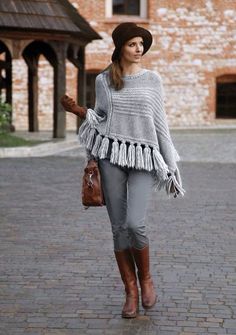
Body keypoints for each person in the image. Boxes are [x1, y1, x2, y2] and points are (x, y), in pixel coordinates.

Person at [60, 22, 185, 319]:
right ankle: (130, 290)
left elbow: (160, 126)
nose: (139, 49)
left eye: (141, 44)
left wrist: (171, 165)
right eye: (132, 44)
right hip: (111, 157)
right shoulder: (105, 80)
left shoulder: (152, 80)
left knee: (135, 224)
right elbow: (101, 119)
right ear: (120, 48)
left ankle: (146, 279)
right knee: (118, 228)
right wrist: (81, 117)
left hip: (143, 158)